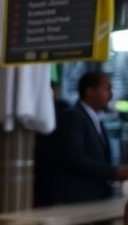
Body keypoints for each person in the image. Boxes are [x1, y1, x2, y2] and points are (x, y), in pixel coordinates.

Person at [52, 71, 128, 204]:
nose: (110, 95)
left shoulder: (96, 119)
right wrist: (113, 172)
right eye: (106, 89)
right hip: (79, 198)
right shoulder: (74, 116)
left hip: (97, 196)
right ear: (89, 91)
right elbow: (74, 157)